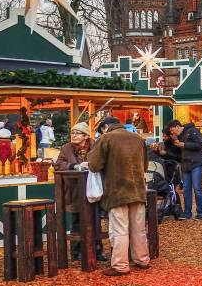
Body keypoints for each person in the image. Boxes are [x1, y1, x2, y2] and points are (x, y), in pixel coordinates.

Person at [88, 116, 149, 276]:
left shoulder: (106, 138)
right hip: (138, 190)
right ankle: (142, 259)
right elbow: (146, 165)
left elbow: (94, 165)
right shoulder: (137, 138)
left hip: (117, 191)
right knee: (139, 229)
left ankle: (120, 265)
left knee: (119, 229)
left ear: (106, 126)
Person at [55, 122, 106, 262]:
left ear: (85, 136)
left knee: (95, 220)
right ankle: (76, 252)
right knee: (76, 220)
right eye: (73, 133)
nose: (74, 135)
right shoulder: (66, 148)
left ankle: (97, 250)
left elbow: (102, 161)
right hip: (74, 189)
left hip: (94, 188)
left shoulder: (95, 146)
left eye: (77, 133)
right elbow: (58, 164)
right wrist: (74, 166)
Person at [166, 118, 202, 220]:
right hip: (185, 164)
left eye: (173, 130)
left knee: (197, 188)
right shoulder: (178, 137)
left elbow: (201, 144)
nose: (173, 133)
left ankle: (201, 212)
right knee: (186, 189)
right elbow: (177, 153)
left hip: (196, 163)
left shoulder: (192, 131)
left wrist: (184, 145)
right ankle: (187, 212)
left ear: (177, 127)